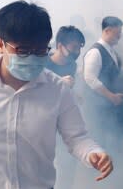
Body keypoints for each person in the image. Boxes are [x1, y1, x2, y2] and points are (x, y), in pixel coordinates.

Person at [0, 0, 113, 189]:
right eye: (23, 50)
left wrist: (93, 153)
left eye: (40, 51)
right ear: (0, 45)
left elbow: (77, 137)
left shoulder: (57, 89)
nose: (32, 57)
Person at [47, 25, 86, 189]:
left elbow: (68, 91)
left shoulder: (72, 65)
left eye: (79, 47)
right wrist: (60, 83)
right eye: (73, 47)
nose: (76, 51)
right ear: (59, 45)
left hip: (64, 121)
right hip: (46, 123)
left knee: (68, 164)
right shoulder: (43, 64)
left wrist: (74, 94)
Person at [83, 16, 123, 150]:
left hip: (111, 106)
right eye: (118, 33)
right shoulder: (95, 52)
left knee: (114, 141)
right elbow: (90, 78)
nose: (120, 36)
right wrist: (111, 96)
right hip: (100, 107)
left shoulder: (112, 51)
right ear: (107, 30)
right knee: (101, 141)